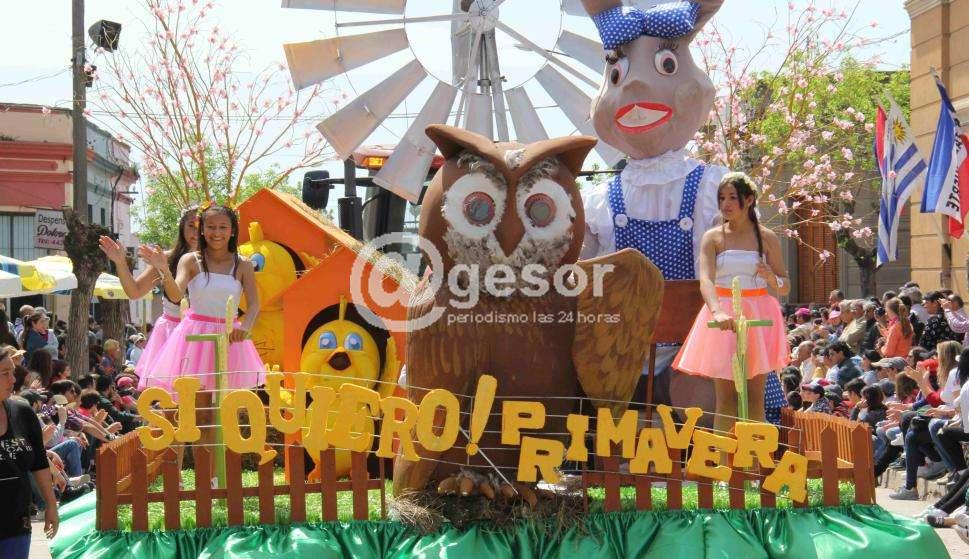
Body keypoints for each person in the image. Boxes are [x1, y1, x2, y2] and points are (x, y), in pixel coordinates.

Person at [140, 204, 264, 476]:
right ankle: (195, 478)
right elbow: (176, 294)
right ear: (202, 230)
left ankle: (214, 478)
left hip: (229, 340)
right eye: (211, 227)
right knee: (195, 412)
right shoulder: (191, 260)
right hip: (194, 340)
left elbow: (254, 303)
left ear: (233, 230)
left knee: (218, 414)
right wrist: (163, 269)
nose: (217, 233)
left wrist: (245, 327)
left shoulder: (243, 264)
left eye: (223, 227)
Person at [673, 173, 790, 432]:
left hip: (758, 314)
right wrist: (716, 311)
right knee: (725, 398)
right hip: (724, 314)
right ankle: (723, 457)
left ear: (749, 200)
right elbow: (706, 280)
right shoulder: (712, 237)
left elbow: (785, 285)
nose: (725, 204)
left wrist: (771, 277)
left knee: (755, 396)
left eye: (732, 198)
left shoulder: (767, 237)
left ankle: (755, 456)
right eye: (721, 198)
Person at [99, 206, 199, 380]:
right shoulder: (165, 259)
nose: (196, 232)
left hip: (203, 334)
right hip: (170, 335)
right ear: (182, 227)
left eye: (202, 226)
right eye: (191, 225)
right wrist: (120, 262)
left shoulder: (219, 262)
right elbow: (135, 291)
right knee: (169, 391)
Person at [0, 353, 58, 557]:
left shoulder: (22, 412)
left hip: (17, 521)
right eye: (5, 373)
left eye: (13, 372)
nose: (13, 380)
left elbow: (39, 463)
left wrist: (51, 504)